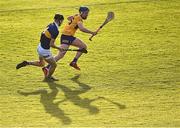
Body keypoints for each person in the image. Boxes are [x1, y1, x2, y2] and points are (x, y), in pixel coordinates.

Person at [43, 6, 97, 74]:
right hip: (68, 37)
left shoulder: (76, 15)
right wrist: (92, 32)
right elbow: (82, 28)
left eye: (87, 13)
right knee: (83, 47)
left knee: (60, 55)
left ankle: (46, 67)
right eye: (86, 13)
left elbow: (68, 18)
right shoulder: (79, 19)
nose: (87, 15)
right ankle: (74, 62)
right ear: (81, 12)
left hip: (65, 36)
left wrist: (73, 19)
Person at [16, 14, 64, 81]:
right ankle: (48, 77)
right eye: (62, 21)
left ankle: (27, 63)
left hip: (39, 47)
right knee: (54, 65)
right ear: (60, 20)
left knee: (41, 64)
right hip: (45, 50)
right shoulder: (56, 30)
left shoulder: (50, 25)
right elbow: (51, 44)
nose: (62, 23)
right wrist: (59, 48)